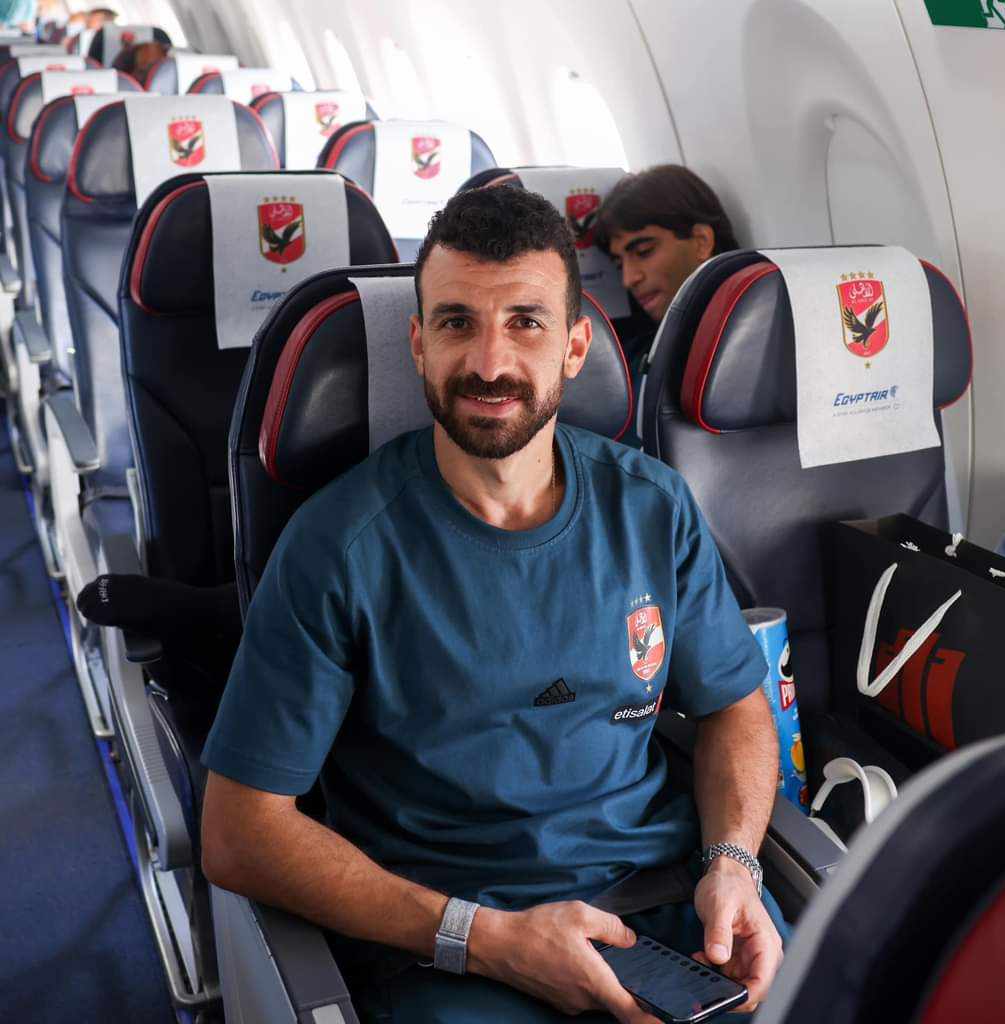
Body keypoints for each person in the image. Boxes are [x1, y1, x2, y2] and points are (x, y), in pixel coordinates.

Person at [210, 184, 784, 1022]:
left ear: (576, 346)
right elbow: (239, 830)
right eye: (456, 323)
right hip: (453, 946)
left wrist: (733, 864)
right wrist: (481, 939)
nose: (488, 363)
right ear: (418, 344)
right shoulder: (339, 545)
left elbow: (736, 706)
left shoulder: (651, 505)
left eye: (526, 323)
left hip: (665, 915)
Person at [595, 165, 739, 370]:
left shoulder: (750, 336)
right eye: (619, 265)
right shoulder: (635, 357)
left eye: (644, 251)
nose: (628, 279)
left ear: (702, 241)